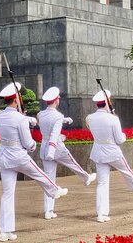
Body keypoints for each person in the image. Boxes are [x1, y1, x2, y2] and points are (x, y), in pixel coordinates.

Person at [0, 82, 68, 242]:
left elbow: (11, 119)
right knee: (40, 174)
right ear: (16, 100)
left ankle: (5, 232)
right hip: (18, 156)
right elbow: (28, 144)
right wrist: (33, 144)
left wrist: (25, 118)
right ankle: (54, 190)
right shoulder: (20, 119)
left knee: (7, 194)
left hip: (4, 156)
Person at [86, 89, 133, 223]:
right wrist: (122, 132)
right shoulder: (113, 119)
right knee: (126, 170)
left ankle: (101, 213)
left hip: (98, 152)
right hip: (112, 151)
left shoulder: (90, 118)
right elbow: (120, 139)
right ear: (107, 102)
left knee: (102, 183)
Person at [38, 87, 96, 220]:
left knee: (49, 180)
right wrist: (52, 152)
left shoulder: (41, 114)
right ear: (56, 101)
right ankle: (86, 178)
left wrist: (64, 120)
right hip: (56, 147)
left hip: (44, 147)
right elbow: (54, 134)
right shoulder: (58, 116)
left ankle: (48, 210)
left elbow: (48, 123)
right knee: (72, 163)